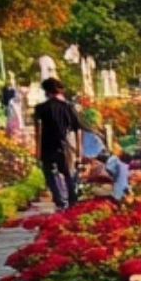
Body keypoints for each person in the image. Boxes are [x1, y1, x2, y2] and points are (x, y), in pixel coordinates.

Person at [34, 78, 83, 209]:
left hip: (47, 145)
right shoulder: (68, 107)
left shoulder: (40, 108)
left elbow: (38, 131)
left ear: (46, 91)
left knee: (49, 173)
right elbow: (78, 128)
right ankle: (72, 199)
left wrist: (37, 152)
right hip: (64, 144)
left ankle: (58, 199)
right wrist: (79, 150)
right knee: (67, 173)